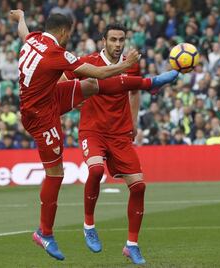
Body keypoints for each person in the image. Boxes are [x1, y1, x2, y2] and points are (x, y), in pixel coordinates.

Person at [10, 10, 177, 261]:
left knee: (90, 86)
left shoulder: (34, 39)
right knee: (55, 173)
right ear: (65, 31)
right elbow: (99, 72)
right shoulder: (56, 53)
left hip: (48, 97)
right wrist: (125, 65)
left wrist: (21, 17)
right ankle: (44, 232)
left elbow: (24, 32)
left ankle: (149, 84)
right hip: (41, 115)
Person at [61, 23, 167, 265]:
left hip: (120, 133)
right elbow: (61, 81)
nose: (118, 44)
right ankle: (89, 224)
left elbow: (135, 91)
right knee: (96, 170)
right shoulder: (87, 62)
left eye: (121, 40)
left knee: (139, 187)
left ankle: (132, 245)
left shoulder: (131, 63)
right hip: (93, 130)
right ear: (103, 41)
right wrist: (74, 97)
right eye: (113, 40)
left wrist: (134, 121)